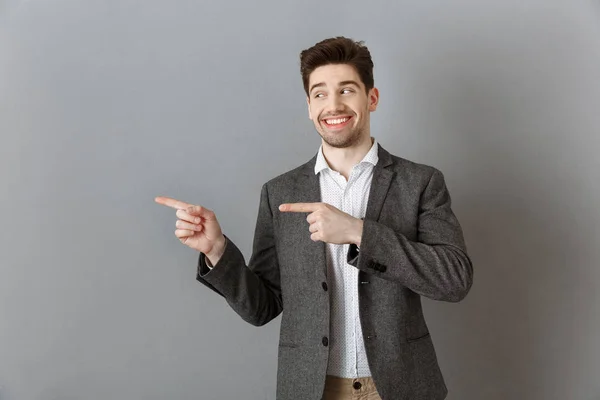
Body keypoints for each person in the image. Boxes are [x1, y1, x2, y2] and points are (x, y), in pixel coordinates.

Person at [155, 36, 473, 400]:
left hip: (401, 386)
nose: (333, 104)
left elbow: (454, 280)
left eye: (347, 90)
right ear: (308, 106)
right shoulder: (281, 192)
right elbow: (262, 307)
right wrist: (216, 251)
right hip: (313, 389)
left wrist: (360, 233)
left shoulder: (420, 182)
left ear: (372, 98)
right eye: (320, 93)